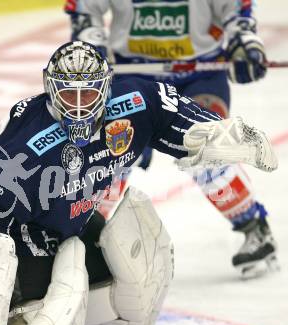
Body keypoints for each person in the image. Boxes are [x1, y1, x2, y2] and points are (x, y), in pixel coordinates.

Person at [0, 41, 277, 325]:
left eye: (89, 93)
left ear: (107, 86)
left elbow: (173, 118)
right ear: (49, 89)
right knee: (61, 308)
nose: (80, 106)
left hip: (75, 219)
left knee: (141, 253)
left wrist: (215, 132)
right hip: (29, 237)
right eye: (70, 95)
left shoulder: (135, 102)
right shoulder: (28, 143)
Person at [65, 0, 279, 278]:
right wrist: (91, 44)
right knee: (113, 151)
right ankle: (85, 234)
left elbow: (236, 9)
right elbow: (85, 10)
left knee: (206, 149)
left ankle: (253, 227)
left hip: (198, 74)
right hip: (133, 76)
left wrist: (243, 41)